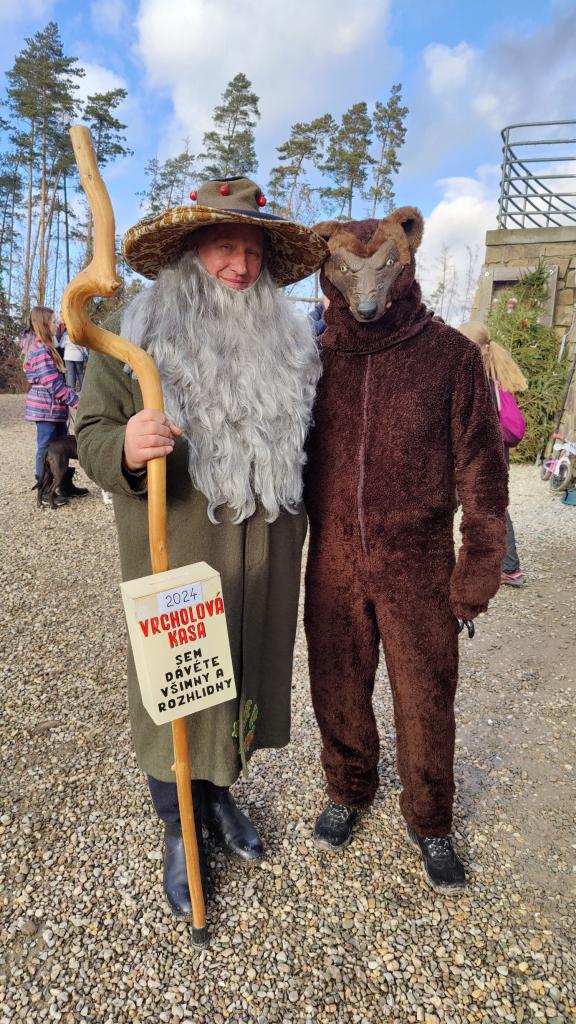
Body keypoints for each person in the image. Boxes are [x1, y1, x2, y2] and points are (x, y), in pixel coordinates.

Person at [75, 176, 327, 918]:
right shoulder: (133, 335)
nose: (241, 267)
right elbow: (91, 434)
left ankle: (217, 797)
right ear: (190, 251)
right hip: (182, 553)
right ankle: (177, 824)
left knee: (242, 675)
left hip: (265, 554)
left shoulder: (291, 342)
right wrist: (126, 446)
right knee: (179, 686)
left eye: (253, 252)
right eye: (225, 247)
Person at [303, 210, 508, 895]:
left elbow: (483, 472)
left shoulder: (449, 356)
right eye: (347, 269)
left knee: (426, 695)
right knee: (336, 684)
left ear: (406, 257)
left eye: (381, 267)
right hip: (332, 557)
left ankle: (430, 817)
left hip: (418, 562)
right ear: (328, 269)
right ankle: (348, 786)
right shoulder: (313, 361)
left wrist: (478, 564)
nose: (365, 285)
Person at [459, 321, 528, 587]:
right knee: (492, 508)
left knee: (486, 510)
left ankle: (507, 566)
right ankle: (506, 566)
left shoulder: (479, 378)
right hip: (497, 455)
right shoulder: (495, 375)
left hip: (482, 456)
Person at [23, 306, 79, 507]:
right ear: (44, 325)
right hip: (45, 408)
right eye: (54, 322)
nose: (58, 324)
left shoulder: (49, 347)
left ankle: (64, 485)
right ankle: (45, 488)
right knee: (46, 447)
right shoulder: (39, 350)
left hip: (55, 408)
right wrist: (74, 400)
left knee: (61, 446)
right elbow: (53, 383)